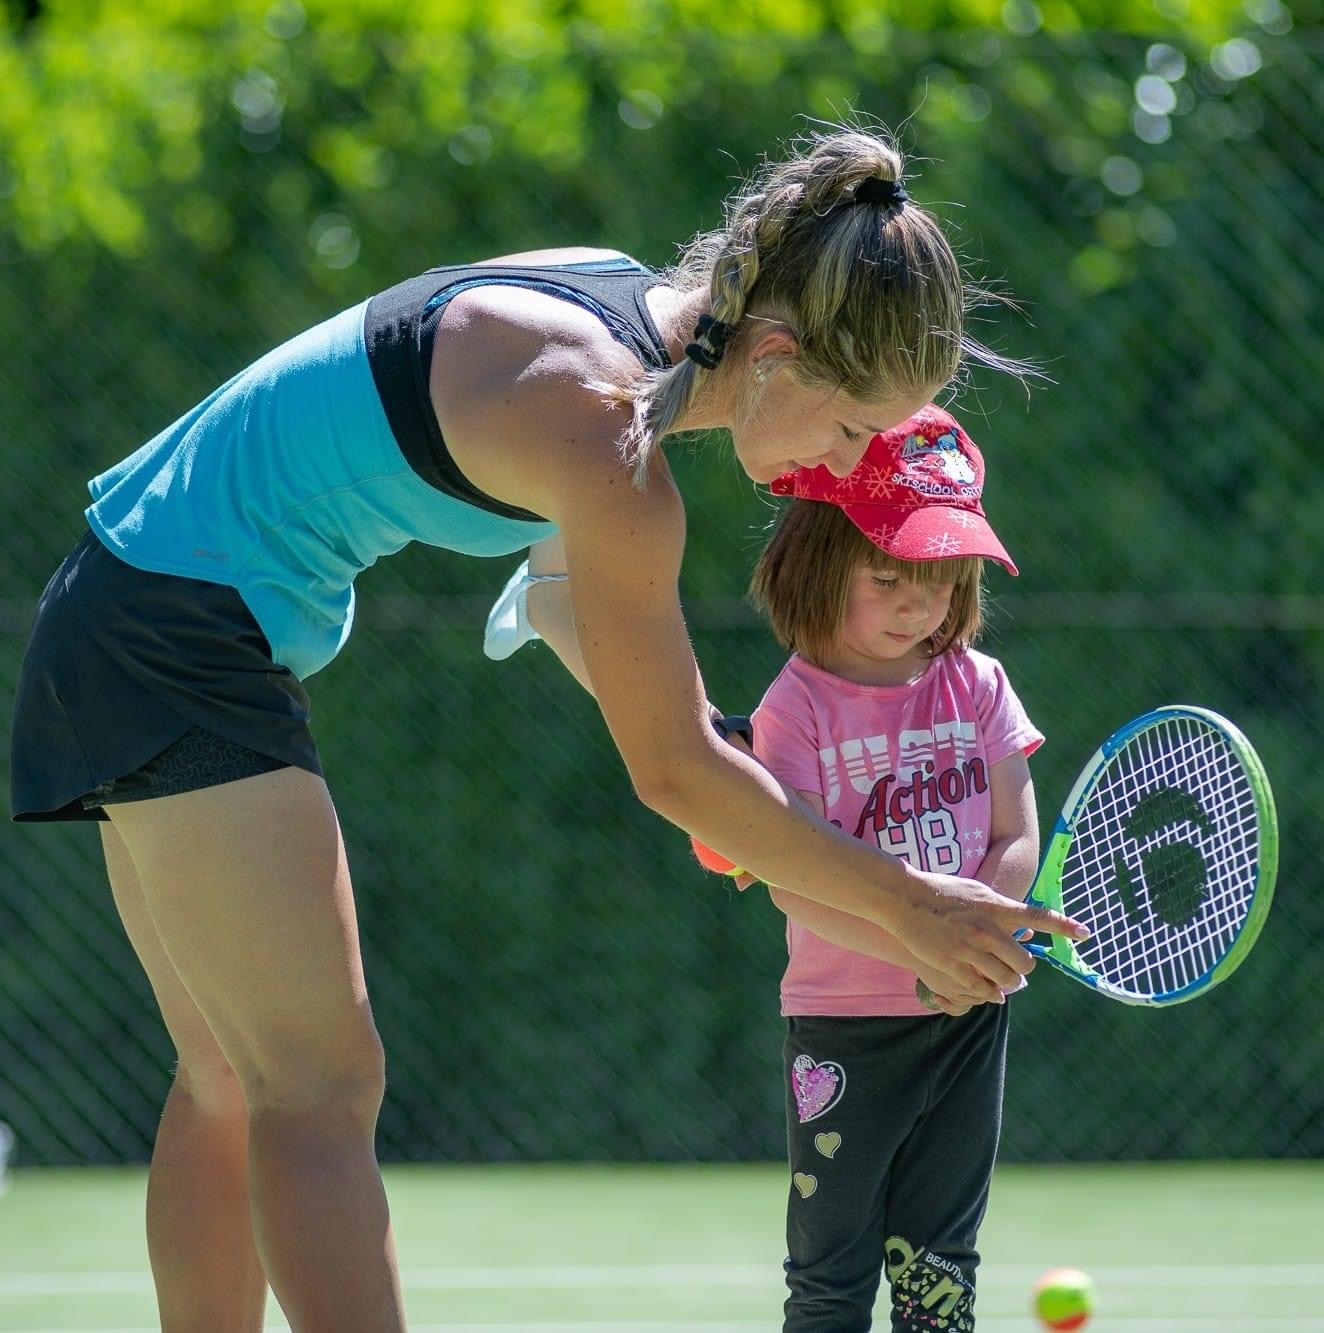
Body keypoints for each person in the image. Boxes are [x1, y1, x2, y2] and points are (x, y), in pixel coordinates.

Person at [8, 126, 1082, 1332]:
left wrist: (746, 794)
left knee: (229, 1078)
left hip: (131, 593)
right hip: (174, 631)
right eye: (847, 430)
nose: (839, 467)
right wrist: (911, 906)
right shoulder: (606, 427)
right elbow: (673, 770)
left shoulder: (614, 308)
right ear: (776, 353)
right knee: (317, 1082)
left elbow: (585, 630)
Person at [740, 405, 1042, 1331]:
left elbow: (1016, 829)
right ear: (821, 559)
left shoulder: (979, 682)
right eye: (889, 577)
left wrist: (975, 944)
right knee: (831, 1277)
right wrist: (919, 944)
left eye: (944, 581)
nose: (921, 605)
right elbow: (793, 877)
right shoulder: (793, 711)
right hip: (842, 1035)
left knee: (941, 1266)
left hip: (967, 1022)